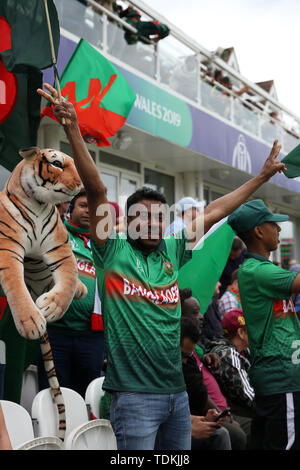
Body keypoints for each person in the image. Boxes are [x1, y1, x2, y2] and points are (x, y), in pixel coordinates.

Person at [38, 82, 285, 451]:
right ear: (129, 221)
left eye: (158, 217)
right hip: (132, 399)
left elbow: (218, 209)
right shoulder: (112, 249)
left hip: (177, 397)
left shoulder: (172, 247)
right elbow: (97, 189)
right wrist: (73, 128)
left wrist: (262, 178)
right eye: (143, 218)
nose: (152, 224)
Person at [227, 199, 300, 450]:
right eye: (273, 225)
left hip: (280, 378)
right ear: (259, 231)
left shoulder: (261, 269)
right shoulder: (257, 270)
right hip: (283, 378)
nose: (279, 230)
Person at [37, 189, 105, 398]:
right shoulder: (55, 233)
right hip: (56, 333)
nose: (88, 211)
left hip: (91, 337)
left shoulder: (104, 244)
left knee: (87, 398)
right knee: (53, 397)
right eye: (83, 206)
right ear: (70, 208)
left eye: (93, 208)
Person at [180, 291, 247, 449]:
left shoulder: (197, 350)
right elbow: (198, 393)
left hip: (216, 412)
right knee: (233, 434)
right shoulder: (181, 354)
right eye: (195, 312)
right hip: (208, 414)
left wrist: (205, 358)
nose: (201, 316)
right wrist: (222, 416)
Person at [180, 317, 231, 450]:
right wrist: (189, 427)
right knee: (225, 435)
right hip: (170, 430)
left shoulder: (188, 359)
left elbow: (174, 409)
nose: (185, 361)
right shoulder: (158, 370)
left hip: (190, 417)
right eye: (182, 355)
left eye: (189, 355)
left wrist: (200, 419)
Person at [208, 309, 254, 444]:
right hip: (232, 412)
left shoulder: (244, 350)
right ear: (241, 333)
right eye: (251, 327)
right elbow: (248, 396)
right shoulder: (228, 354)